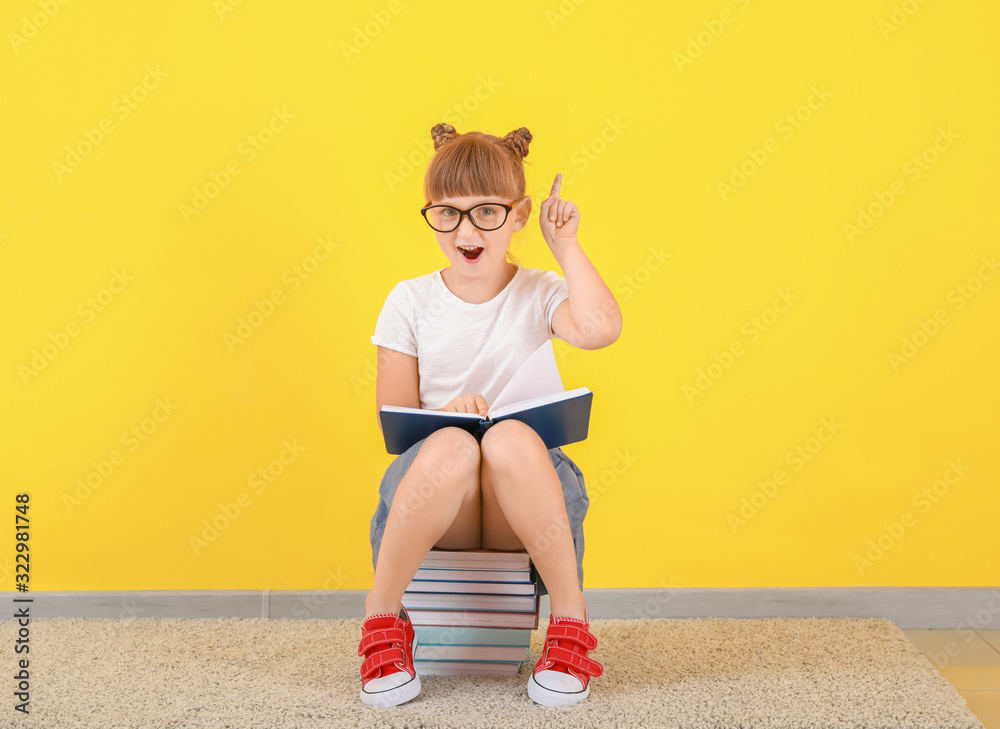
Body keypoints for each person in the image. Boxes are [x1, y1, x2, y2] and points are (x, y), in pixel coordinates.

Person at [357, 122, 622, 708]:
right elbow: (394, 425)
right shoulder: (409, 300)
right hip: (440, 496)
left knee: (510, 440)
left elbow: (600, 328)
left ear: (521, 212)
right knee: (453, 446)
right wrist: (447, 419)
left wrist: (567, 247)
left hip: (518, 498)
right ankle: (381, 624)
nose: (465, 231)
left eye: (486, 213)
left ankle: (570, 625)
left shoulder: (541, 290)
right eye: (447, 214)